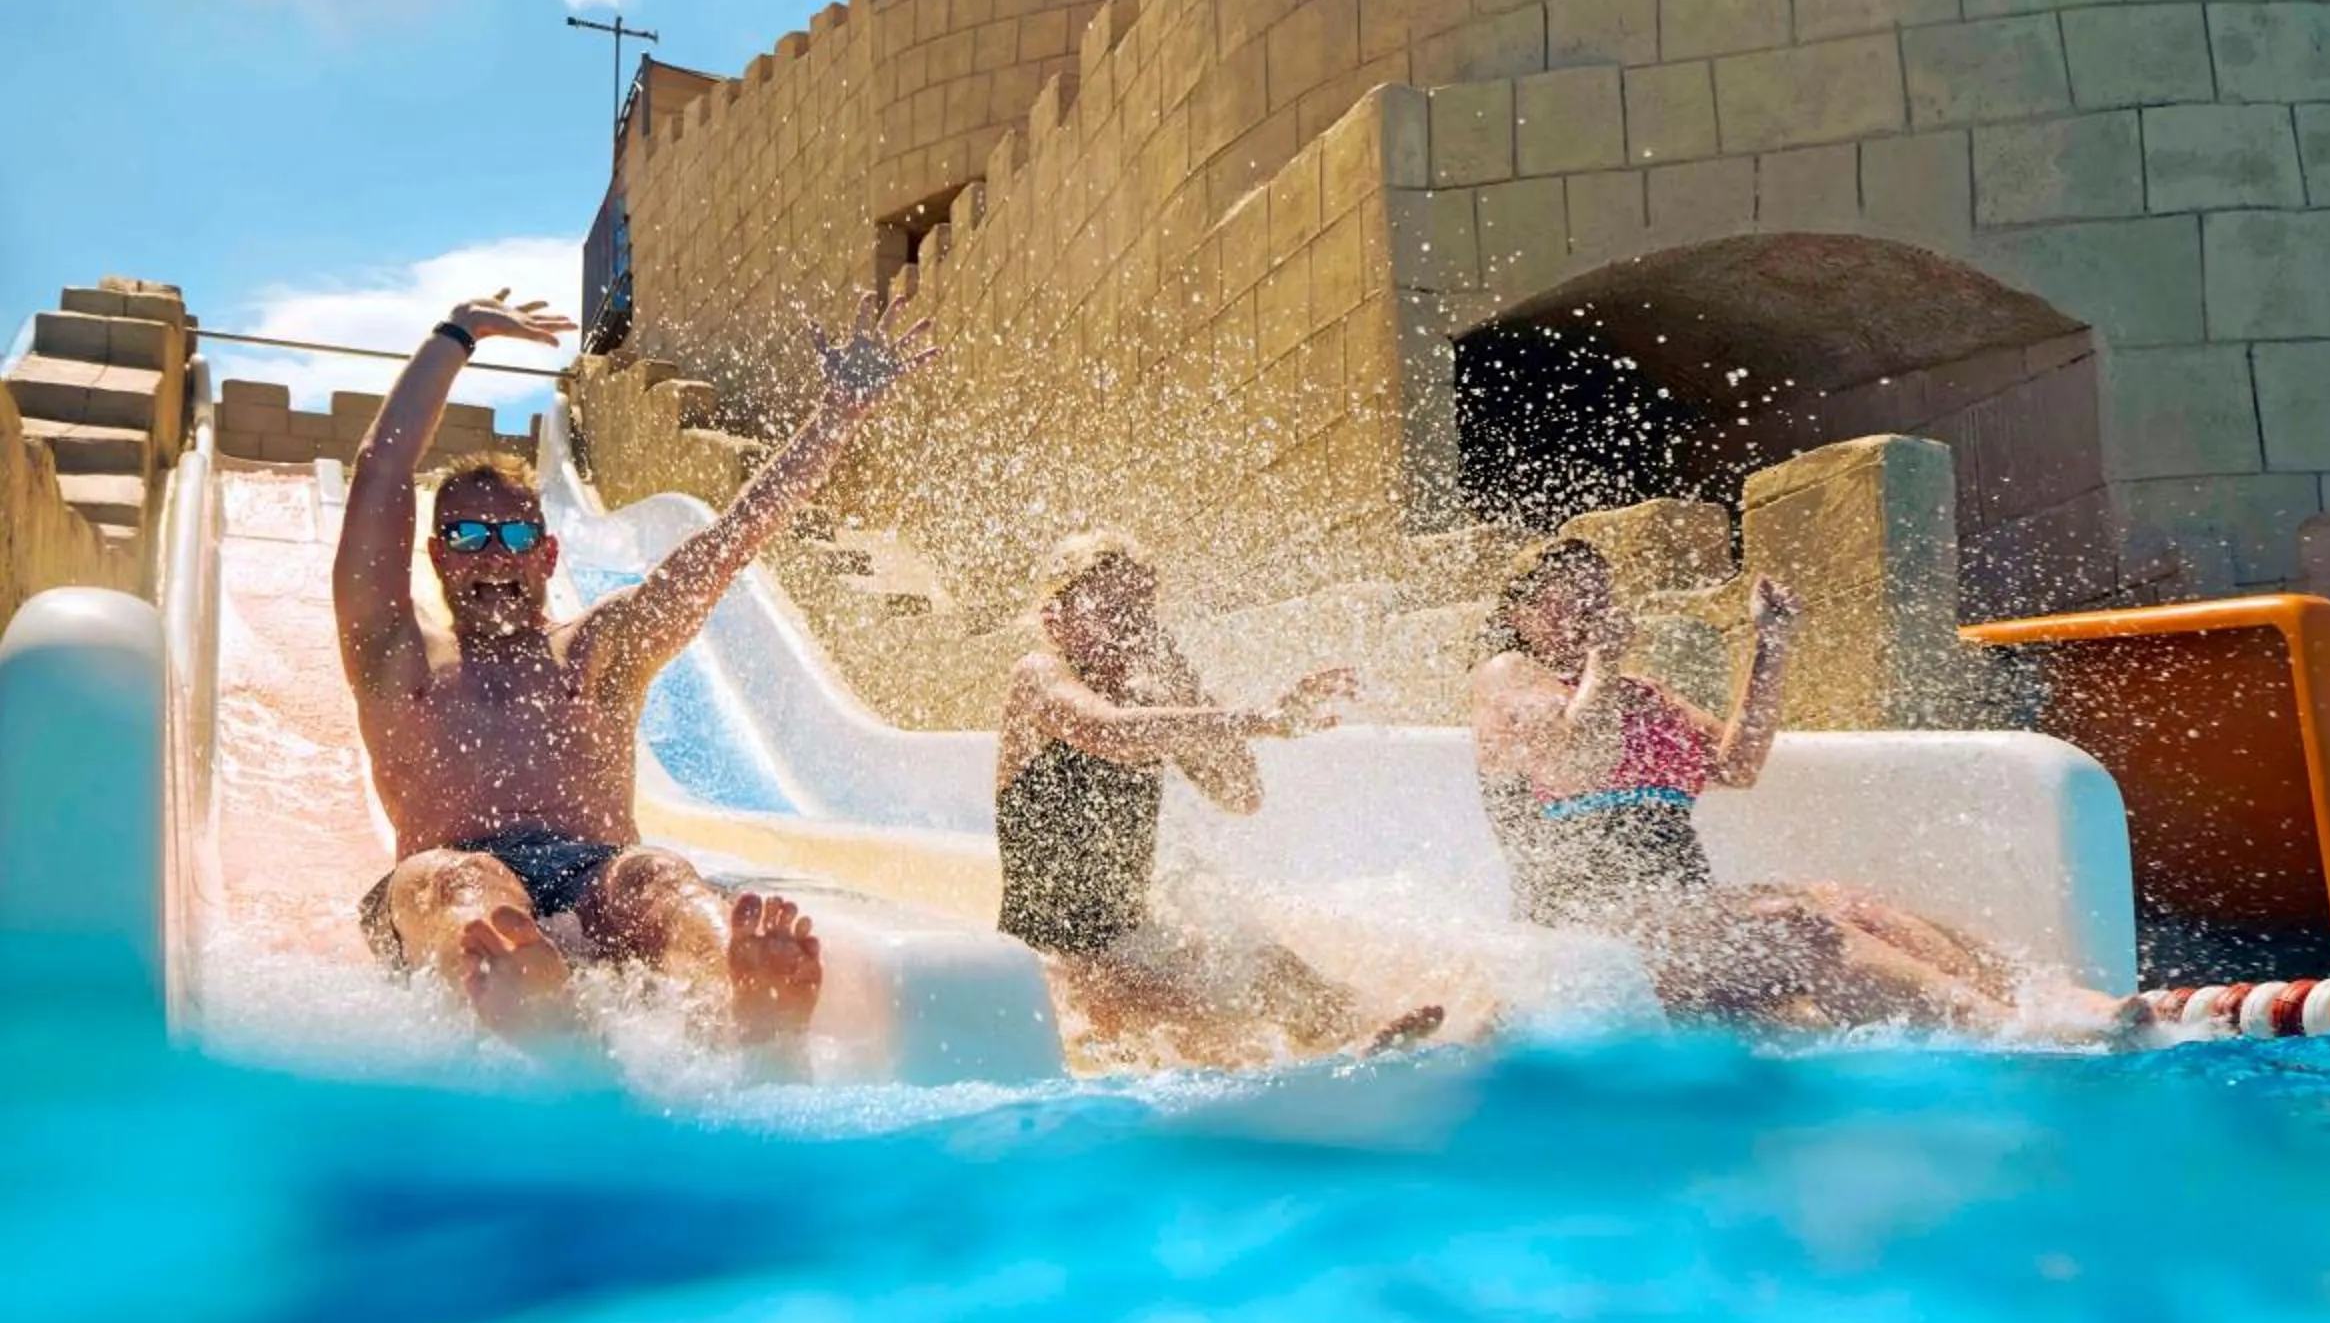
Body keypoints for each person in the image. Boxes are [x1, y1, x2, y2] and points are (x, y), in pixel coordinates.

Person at [336, 286, 937, 1055]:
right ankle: (510, 991)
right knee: (464, 883)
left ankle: (734, 992)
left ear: (549, 555)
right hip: (443, 881)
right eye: (468, 531)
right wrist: (458, 333)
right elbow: (380, 475)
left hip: (592, 871)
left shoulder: (596, 653)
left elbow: (730, 542)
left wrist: (835, 417)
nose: (495, 551)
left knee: (656, 877)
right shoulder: (398, 656)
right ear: (436, 555)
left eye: (517, 530)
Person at [1471, 538, 2091, 1033]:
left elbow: (1737, 764)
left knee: (1847, 903)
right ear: (1523, 614)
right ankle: (2015, 1033)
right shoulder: (1509, 677)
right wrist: (1604, 663)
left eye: (1595, 592)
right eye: (1565, 596)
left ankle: (2069, 1004)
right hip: (1592, 935)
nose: (1586, 607)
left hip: (1685, 922)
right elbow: (1574, 762)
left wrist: (1771, 642)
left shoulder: (1641, 694)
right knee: (1794, 924)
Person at [993, 529, 1444, 1065]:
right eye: (1109, 607)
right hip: (1060, 956)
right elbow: (1108, 732)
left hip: (1131, 937)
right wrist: (1265, 720)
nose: (1129, 624)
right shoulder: (1039, 676)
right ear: (1056, 620)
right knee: (1204, 1030)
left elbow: (1240, 792)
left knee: (1265, 962)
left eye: (1140, 607)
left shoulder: (1153, 702)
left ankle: (1388, 1036)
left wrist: (1184, 683)